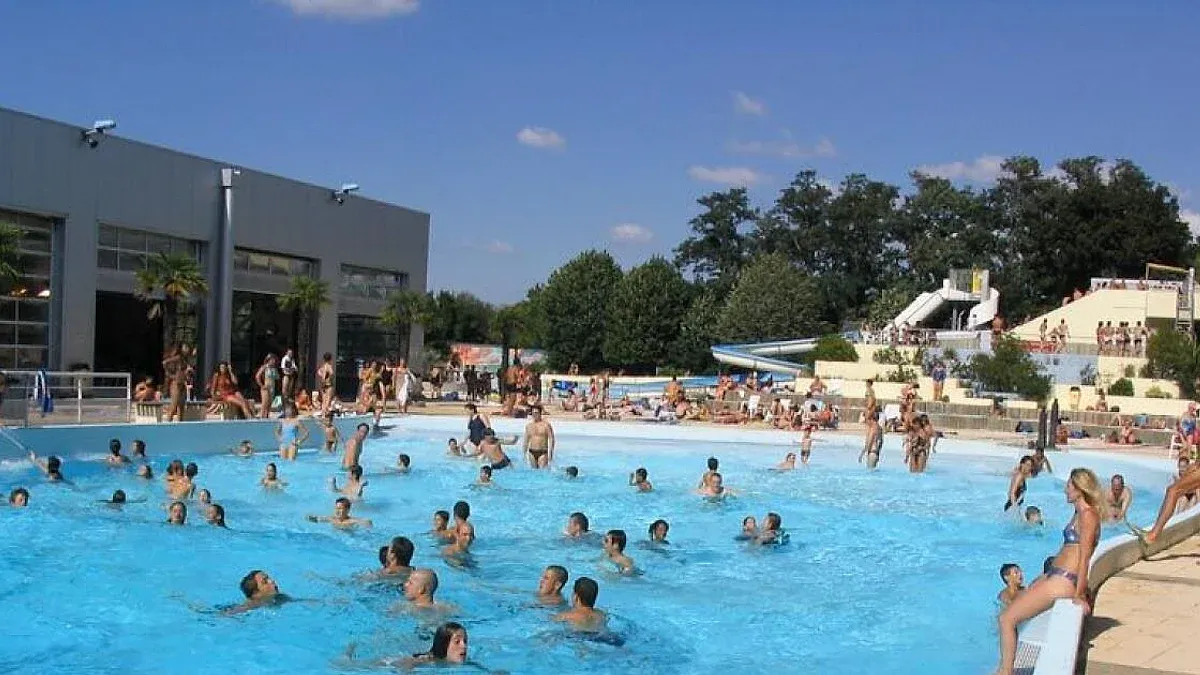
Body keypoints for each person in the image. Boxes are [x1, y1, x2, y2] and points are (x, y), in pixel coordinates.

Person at [996, 468, 1104, 675]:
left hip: (1063, 581)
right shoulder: (1080, 512)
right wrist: (1045, 576)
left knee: (1006, 620)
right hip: (1055, 576)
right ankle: (1005, 668)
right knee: (1012, 613)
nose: (1066, 490)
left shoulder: (1088, 515)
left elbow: (1084, 558)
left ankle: (1005, 672)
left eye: (1069, 486)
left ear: (1080, 489)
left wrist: (1080, 593)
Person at [307, 497, 372, 528]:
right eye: (336, 508)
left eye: (340, 509)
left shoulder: (351, 521)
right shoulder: (332, 519)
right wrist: (310, 518)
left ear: (347, 510)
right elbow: (316, 519)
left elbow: (367, 522)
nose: (337, 511)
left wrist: (366, 523)